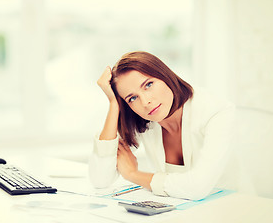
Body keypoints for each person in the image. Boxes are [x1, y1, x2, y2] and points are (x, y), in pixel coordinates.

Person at [89, 51, 235, 200]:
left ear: (164, 75)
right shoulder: (142, 119)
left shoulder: (216, 112)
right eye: (132, 98)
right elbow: (101, 180)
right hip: (181, 211)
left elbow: (197, 187)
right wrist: (114, 103)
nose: (145, 102)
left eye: (149, 85)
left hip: (234, 208)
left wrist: (133, 175)